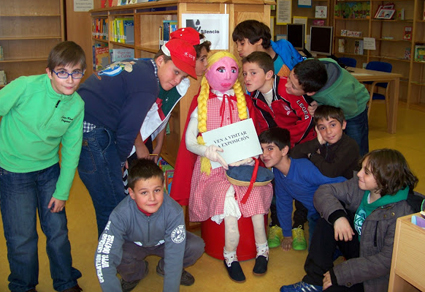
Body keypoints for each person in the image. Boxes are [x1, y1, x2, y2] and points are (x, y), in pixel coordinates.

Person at [77, 38, 197, 237]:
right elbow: (128, 130)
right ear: (160, 61)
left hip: (84, 124)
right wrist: (121, 161)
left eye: (182, 77)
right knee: (112, 204)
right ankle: (112, 259)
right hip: (94, 132)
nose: (177, 81)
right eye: (175, 72)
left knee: (108, 198)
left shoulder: (141, 66)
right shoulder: (148, 86)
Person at [170, 51, 273, 283]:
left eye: (233, 71)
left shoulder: (243, 103)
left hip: (241, 167)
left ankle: (262, 250)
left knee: (255, 192)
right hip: (212, 170)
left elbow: (252, 137)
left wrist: (250, 155)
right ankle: (230, 255)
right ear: (208, 73)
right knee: (227, 200)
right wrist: (206, 151)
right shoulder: (202, 104)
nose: (228, 76)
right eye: (221, 70)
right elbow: (189, 141)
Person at [0, 41, 86, 292]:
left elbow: (71, 151)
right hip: (13, 173)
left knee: (57, 231)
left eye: (76, 72)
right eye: (62, 72)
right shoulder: (25, 87)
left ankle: (66, 281)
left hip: (49, 171)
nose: (70, 80)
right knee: (21, 237)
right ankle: (22, 286)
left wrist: (62, 192)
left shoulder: (77, 104)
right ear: (49, 72)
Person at [281, 148, 424, 292]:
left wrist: (340, 273)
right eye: (362, 168)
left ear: (384, 180)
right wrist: (338, 217)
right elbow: (324, 191)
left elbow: (386, 262)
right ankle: (314, 281)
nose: (359, 174)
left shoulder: (403, 213)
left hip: (376, 272)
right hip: (360, 247)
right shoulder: (361, 186)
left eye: (366, 172)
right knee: (331, 214)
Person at [242, 51, 317, 249]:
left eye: (252, 73)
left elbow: (308, 120)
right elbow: (264, 125)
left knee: (299, 183)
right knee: (274, 183)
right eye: (244, 74)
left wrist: (289, 147)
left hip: (300, 144)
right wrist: (266, 148)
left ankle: (298, 225)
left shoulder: (287, 88)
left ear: (268, 74)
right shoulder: (255, 96)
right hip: (280, 145)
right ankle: (276, 224)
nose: (247, 79)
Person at [95, 159, 204, 292]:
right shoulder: (120, 214)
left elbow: (175, 255)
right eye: (144, 192)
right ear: (132, 193)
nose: (152, 198)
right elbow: (104, 258)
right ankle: (135, 274)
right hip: (134, 245)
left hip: (164, 243)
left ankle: (163, 268)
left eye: (157, 190)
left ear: (163, 186)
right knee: (117, 252)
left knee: (195, 246)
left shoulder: (173, 211)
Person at [259, 127, 346, 251]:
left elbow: (336, 181)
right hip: (315, 214)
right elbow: (284, 205)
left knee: (325, 253)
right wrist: (287, 235)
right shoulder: (278, 173)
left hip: (332, 210)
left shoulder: (303, 168)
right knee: (315, 252)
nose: (264, 155)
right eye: (262, 150)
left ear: (284, 151)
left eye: (270, 148)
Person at [286, 58, 370, 156]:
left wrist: (321, 106)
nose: (287, 85)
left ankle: (360, 168)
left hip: (354, 109)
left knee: (357, 147)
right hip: (339, 99)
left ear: (311, 93)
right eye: (289, 77)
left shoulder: (335, 99)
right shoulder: (312, 65)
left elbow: (351, 110)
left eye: (293, 86)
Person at [291, 105, 361, 180]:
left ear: (343, 124)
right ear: (317, 130)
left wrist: (312, 155)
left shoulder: (350, 145)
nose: (328, 131)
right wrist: (317, 142)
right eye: (322, 128)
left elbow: (331, 171)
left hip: (347, 186)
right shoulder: (322, 142)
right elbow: (294, 153)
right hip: (328, 183)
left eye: (333, 125)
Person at [232, 19, 304, 77]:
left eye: (242, 43)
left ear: (259, 41)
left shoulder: (284, 46)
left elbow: (303, 68)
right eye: (237, 44)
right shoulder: (249, 64)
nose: (238, 49)